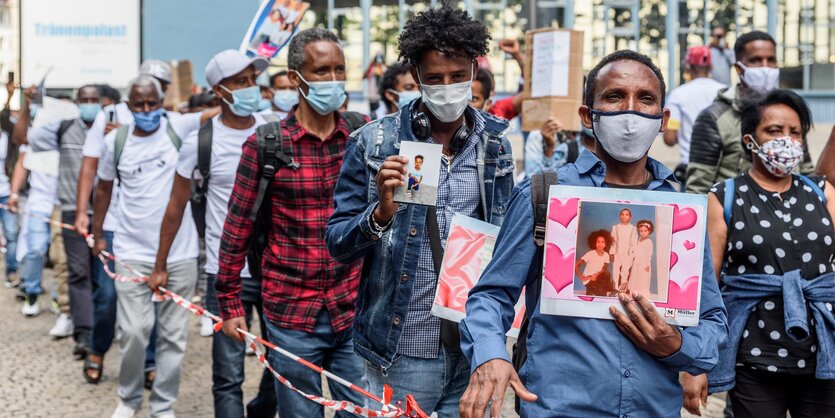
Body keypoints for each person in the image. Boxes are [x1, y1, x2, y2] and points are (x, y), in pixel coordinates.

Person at [458, 50, 728, 418]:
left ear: (663, 119)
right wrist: (490, 355)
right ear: (587, 115)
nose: (630, 111)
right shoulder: (545, 194)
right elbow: (491, 296)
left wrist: (677, 345)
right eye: (615, 96)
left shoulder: (680, 212)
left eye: (645, 99)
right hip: (558, 408)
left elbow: (712, 322)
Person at [325, 6, 514, 416]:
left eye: (458, 77)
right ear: (414, 74)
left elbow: (503, 245)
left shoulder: (495, 146)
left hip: (471, 344)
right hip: (401, 352)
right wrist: (380, 214)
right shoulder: (374, 143)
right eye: (434, 79)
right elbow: (336, 243)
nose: (447, 88)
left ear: (474, 69)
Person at [215, 28, 369, 418]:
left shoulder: (361, 135)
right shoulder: (265, 145)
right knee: (300, 413)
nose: (333, 80)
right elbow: (237, 228)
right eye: (321, 71)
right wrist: (230, 303)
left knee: (359, 410)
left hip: (351, 306)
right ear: (297, 77)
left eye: (339, 70)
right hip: (290, 312)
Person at [681, 89, 835, 417]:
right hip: (754, 354)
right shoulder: (724, 198)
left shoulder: (821, 193)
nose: (787, 140)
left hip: (822, 353)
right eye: (775, 131)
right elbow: (703, 289)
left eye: (795, 132)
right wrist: (695, 364)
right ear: (750, 140)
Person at [149, 49, 277, 418]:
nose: (250, 88)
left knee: (284, 363)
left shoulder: (275, 128)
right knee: (227, 373)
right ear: (219, 90)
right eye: (240, 82)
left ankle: (261, 408)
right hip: (227, 273)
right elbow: (175, 207)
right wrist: (160, 265)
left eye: (253, 80)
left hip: (277, 267)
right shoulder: (200, 143)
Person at [91, 76, 198, 418]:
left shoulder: (177, 129)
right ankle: (128, 398)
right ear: (128, 106)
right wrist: (97, 232)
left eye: (153, 103)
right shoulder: (116, 141)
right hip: (132, 251)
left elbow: (214, 113)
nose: (147, 110)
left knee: (173, 337)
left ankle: (163, 405)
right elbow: (103, 189)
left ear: (162, 101)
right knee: (135, 331)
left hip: (180, 252)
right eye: (139, 105)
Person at [17, 84, 107, 356]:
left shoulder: (113, 130)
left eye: (94, 99)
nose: (90, 103)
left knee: (102, 278)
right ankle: (84, 333)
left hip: (107, 216)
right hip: (71, 211)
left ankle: (104, 327)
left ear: (102, 102)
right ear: (78, 103)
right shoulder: (64, 128)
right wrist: (25, 104)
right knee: (76, 272)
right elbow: (22, 137)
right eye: (85, 99)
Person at [686, 31, 814, 194]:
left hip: (791, 213)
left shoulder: (791, 113)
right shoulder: (714, 117)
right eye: (756, 60)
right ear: (739, 68)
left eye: (771, 60)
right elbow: (698, 189)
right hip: (732, 216)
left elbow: (807, 173)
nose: (765, 67)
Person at [664, 46, 726, 184]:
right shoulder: (724, 91)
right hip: (722, 169)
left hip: (691, 169)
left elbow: (669, 138)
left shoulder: (678, 94)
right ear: (710, 66)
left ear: (688, 66)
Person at [8, 143, 57, 318]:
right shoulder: (36, 137)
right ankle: (32, 293)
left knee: (60, 256)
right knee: (35, 249)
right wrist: (14, 193)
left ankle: (58, 298)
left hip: (62, 203)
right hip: (38, 204)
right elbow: (22, 163)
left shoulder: (70, 132)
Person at [575, 230, 613, 297]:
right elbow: (576, 265)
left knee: (607, 275)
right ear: (594, 243)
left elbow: (604, 268)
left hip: (598, 278)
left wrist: (596, 274)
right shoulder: (590, 254)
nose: (600, 244)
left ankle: (592, 290)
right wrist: (581, 277)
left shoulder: (606, 255)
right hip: (588, 279)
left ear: (606, 244)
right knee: (601, 293)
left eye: (602, 242)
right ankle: (590, 289)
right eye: (598, 242)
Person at [610, 208, 637, 287]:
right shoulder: (615, 228)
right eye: (622, 214)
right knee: (615, 271)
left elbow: (634, 243)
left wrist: (633, 254)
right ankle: (615, 289)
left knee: (625, 272)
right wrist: (611, 253)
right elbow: (613, 241)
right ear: (619, 216)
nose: (624, 216)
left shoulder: (633, 229)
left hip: (628, 254)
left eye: (627, 215)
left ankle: (622, 289)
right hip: (617, 253)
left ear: (630, 217)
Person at [627, 219, 654, 296]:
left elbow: (649, 254)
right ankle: (634, 293)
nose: (643, 233)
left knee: (643, 279)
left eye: (645, 231)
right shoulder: (639, 240)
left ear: (649, 231)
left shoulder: (649, 242)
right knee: (635, 278)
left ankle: (642, 295)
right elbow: (636, 250)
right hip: (637, 262)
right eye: (641, 231)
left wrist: (648, 264)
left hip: (644, 264)